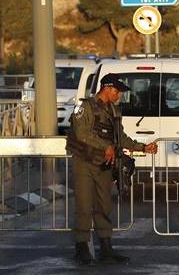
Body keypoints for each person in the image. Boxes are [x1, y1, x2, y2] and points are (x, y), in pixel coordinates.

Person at [66, 73, 158, 265]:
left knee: (104, 206)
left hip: (105, 164)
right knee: (84, 206)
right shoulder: (85, 107)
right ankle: (82, 248)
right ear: (106, 88)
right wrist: (104, 146)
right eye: (117, 91)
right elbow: (81, 133)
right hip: (85, 162)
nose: (119, 95)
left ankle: (106, 249)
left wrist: (142, 147)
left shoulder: (114, 111)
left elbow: (120, 137)